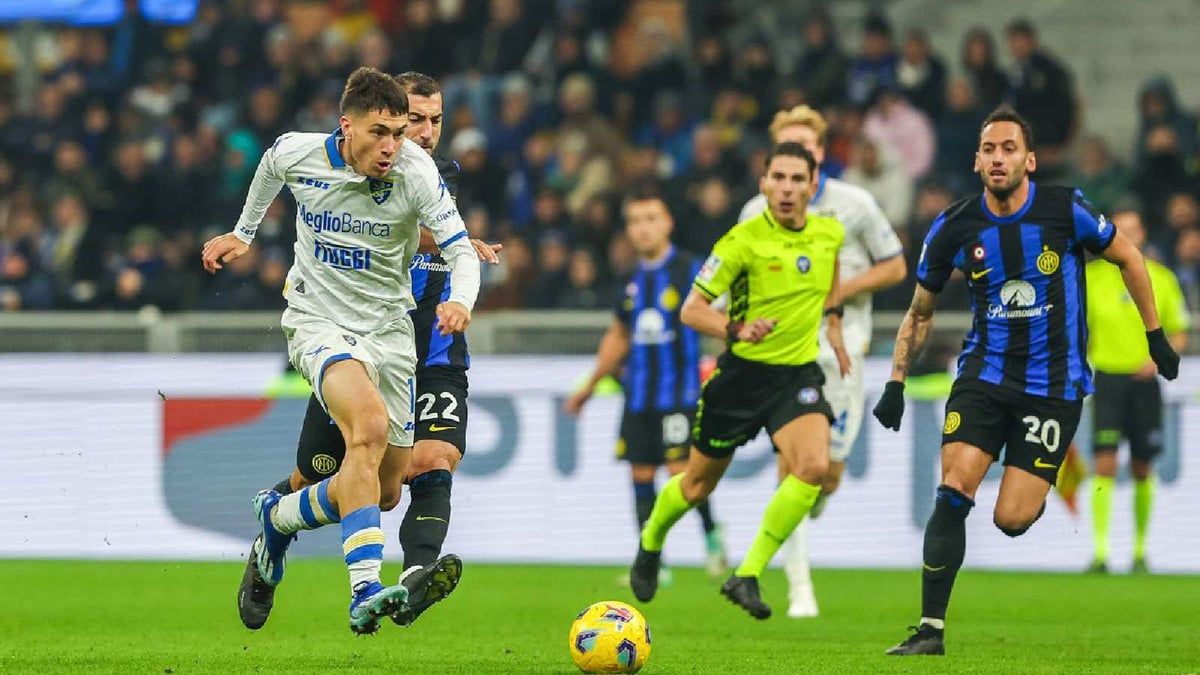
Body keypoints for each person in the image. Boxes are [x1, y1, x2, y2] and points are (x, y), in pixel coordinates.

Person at [871, 106, 1180, 656]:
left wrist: (1155, 336)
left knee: (1011, 518)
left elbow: (1130, 258)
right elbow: (920, 311)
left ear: (1029, 160)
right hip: (983, 376)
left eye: (1009, 148)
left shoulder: (1065, 210)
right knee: (953, 489)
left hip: (1053, 386)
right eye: (989, 148)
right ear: (976, 160)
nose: (998, 157)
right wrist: (896, 380)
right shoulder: (953, 226)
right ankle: (929, 630)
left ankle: (1037, 479)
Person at [202, 66, 482, 635]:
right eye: (381, 132)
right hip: (318, 321)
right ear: (345, 125)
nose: (393, 146)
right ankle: (366, 591)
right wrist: (244, 233)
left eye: (400, 133)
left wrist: (463, 302)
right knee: (370, 430)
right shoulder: (300, 152)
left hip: (390, 333)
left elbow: (463, 251)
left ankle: (276, 517)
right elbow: (271, 165)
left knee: (381, 490)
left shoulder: (418, 172)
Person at [630, 142, 851, 620]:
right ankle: (651, 541)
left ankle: (747, 574)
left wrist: (834, 321)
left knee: (813, 468)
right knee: (695, 486)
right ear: (764, 184)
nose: (788, 188)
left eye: (798, 179)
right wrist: (735, 329)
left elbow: (831, 277)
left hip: (796, 375)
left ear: (814, 186)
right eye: (779, 178)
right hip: (741, 379)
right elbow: (691, 310)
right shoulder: (741, 242)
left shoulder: (830, 234)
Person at [738, 105, 905, 618]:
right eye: (787, 147)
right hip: (786, 354)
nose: (798, 157)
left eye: (807, 148)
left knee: (826, 477)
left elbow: (896, 266)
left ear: (821, 153)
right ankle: (798, 587)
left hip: (845, 353)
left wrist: (837, 291)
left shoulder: (854, 205)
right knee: (794, 468)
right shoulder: (753, 213)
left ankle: (807, 524)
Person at [564, 189, 728, 581]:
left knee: (681, 473)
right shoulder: (630, 280)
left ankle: (712, 537)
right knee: (639, 476)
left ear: (667, 223)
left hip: (680, 394)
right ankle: (653, 562)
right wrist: (589, 386)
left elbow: (721, 314)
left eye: (651, 219)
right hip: (637, 397)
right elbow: (619, 336)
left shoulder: (691, 270)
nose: (643, 228)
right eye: (635, 221)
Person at [1084, 209, 1189, 574]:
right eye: (1121, 230)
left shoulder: (1162, 279)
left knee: (1143, 465)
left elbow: (1179, 330)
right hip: (1108, 378)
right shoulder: (1092, 277)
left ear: (1143, 234)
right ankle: (1099, 552)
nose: (1128, 235)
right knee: (1105, 462)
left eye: (1133, 229)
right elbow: (1078, 329)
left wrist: (1158, 359)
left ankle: (1140, 551)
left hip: (1144, 382)